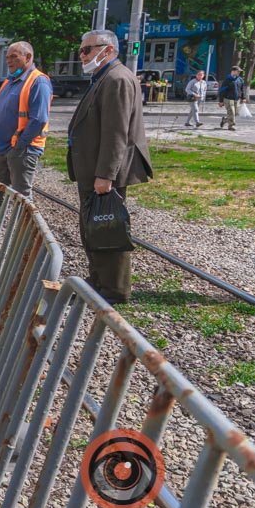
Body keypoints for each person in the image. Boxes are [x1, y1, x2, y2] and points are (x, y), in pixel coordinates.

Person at [67, 29, 153, 305]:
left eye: (87, 49)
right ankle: (98, 280)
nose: (82, 55)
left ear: (108, 50)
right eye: (82, 50)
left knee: (107, 229)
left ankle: (113, 290)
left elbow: (117, 133)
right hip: (94, 169)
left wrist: (105, 175)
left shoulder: (116, 78)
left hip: (105, 172)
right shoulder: (104, 77)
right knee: (93, 226)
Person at [0, 41, 51, 201]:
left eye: (14, 57)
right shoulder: (10, 81)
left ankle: (21, 227)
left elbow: (39, 119)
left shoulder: (38, 81)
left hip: (21, 150)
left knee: (21, 199)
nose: (8, 61)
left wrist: (19, 146)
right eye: (7, 57)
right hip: (2, 148)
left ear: (28, 57)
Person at [218, 65, 245, 131]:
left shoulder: (240, 79)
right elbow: (222, 91)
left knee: (235, 114)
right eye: (238, 71)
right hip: (228, 99)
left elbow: (242, 89)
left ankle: (224, 120)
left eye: (239, 71)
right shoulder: (227, 80)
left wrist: (243, 97)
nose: (239, 73)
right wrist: (221, 101)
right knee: (231, 113)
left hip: (237, 99)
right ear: (233, 71)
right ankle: (231, 126)